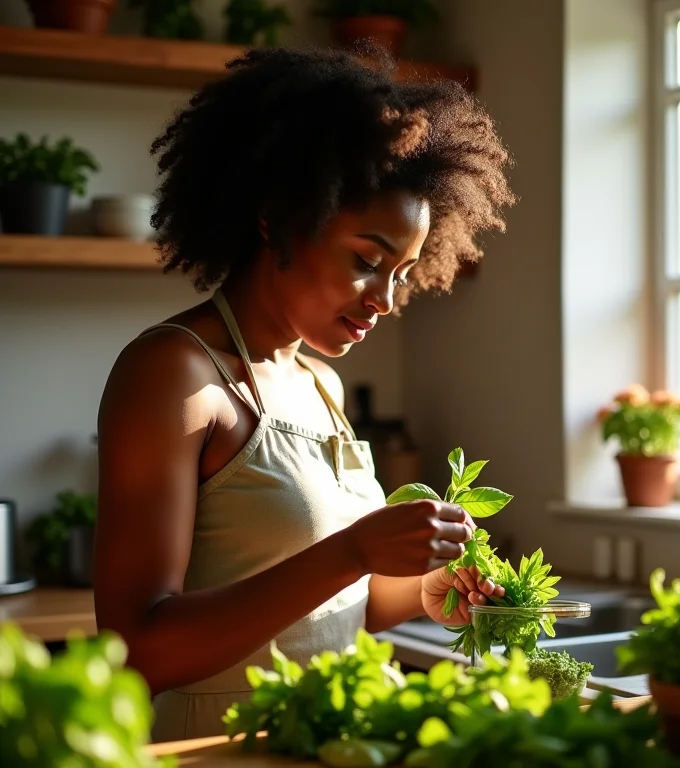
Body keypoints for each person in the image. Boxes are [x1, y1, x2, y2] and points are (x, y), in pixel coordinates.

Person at [93, 45, 515, 743]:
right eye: (367, 260)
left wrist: (421, 591)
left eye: (403, 272)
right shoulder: (175, 372)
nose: (386, 300)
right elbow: (137, 651)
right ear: (279, 217)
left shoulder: (321, 384)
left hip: (324, 744)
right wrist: (354, 551)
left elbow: (330, 609)